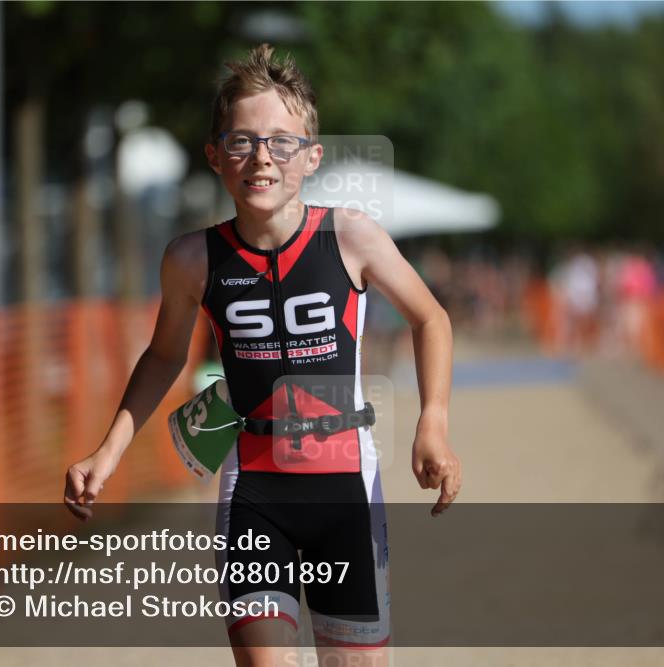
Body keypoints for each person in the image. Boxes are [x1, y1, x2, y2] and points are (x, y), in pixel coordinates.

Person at [64, 44, 460, 666]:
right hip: (252, 492)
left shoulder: (351, 236)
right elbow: (164, 356)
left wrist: (432, 420)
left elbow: (430, 317)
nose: (261, 157)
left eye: (281, 141)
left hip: (346, 493)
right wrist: (106, 451)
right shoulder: (192, 259)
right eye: (242, 141)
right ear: (215, 156)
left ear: (311, 156)